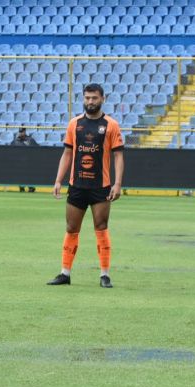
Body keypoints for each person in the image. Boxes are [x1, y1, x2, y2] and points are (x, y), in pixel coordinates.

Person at [48, 83, 124, 288]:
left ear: (103, 99)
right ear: (83, 98)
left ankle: (105, 275)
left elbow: (118, 156)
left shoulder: (111, 125)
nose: (90, 101)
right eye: (87, 98)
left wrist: (117, 184)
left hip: (101, 186)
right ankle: (65, 273)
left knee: (101, 227)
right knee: (71, 228)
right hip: (77, 186)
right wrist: (58, 180)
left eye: (94, 98)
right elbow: (67, 153)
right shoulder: (74, 124)